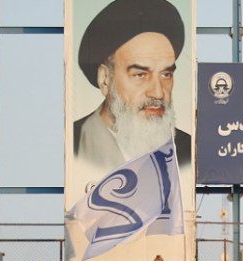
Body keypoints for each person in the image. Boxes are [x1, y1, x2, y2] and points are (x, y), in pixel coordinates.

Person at [72, 0, 192, 174]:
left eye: (166, 74)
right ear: (105, 80)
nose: (158, 93)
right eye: (140, 75)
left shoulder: (189, 151)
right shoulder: (72, 144)